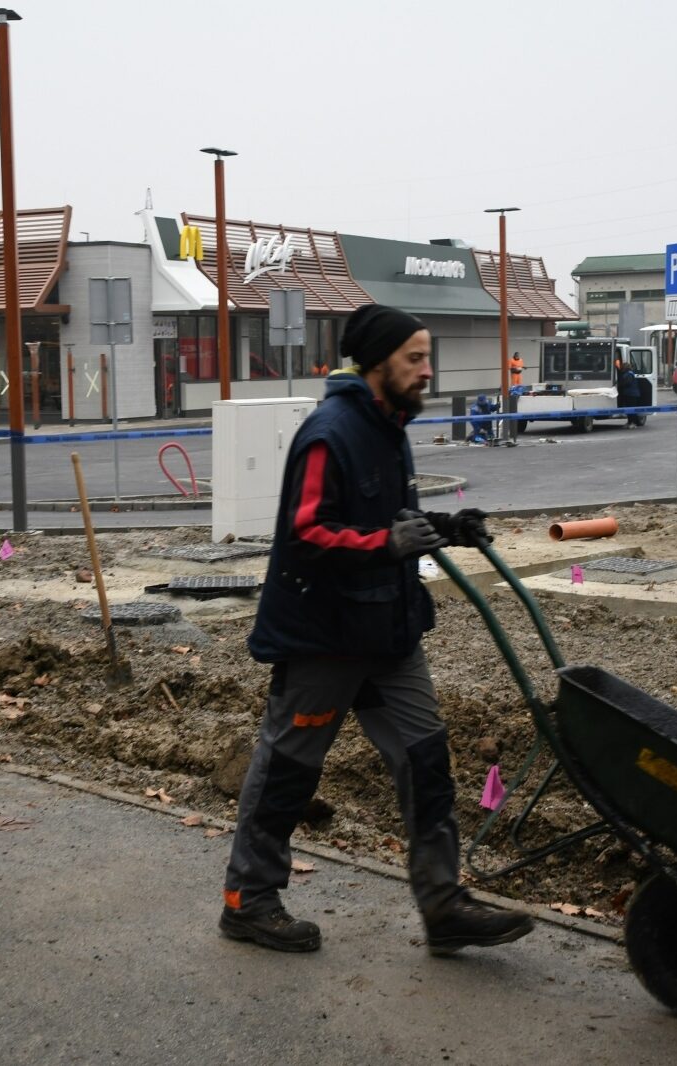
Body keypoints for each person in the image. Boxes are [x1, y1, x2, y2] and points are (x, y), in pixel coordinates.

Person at [221, 303, 534, 956]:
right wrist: (382, 543)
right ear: (379, 362)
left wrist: (443, 528)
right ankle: (247, 901)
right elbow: (306, 530)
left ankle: (443, 903)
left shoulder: (391, 426)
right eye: (414, 358)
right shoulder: (328, 432)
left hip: (388, 632)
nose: (427, 370)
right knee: (288, 771)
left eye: (428, 357)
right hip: (324, 636)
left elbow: (388, 517)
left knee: (426, 762)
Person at [615, 357, 642, 425]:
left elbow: (627, 383)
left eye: (623, 367)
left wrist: (619, 385)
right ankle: (630, 422)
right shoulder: (629, 373)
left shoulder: (629, 374)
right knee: (629, 409)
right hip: (630, 393)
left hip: (631, 394)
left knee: (631, 409)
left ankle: (633, 423)